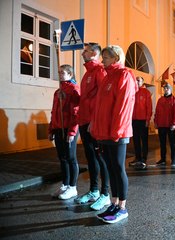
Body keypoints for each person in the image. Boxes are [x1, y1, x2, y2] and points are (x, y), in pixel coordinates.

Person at [91, 45, 138, 224]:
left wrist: (117, 131)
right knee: (110, 168)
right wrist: (95, 126)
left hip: (117, 132)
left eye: (106, 58)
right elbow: (99, 107)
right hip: (105, 132)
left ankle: (122, 208)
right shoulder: (106, 77)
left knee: (118, 168)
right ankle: (114, 203)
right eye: (103, 57)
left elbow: (124, 106)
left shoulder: (124, 75)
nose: (103, 61)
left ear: (116, 58)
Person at [75, 43, 110, 210]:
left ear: (95, 54)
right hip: (84, 120)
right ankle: (94, 190)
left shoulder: (99, 71)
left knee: (100, 158)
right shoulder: (88, 73)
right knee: (91, 158)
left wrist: (96, 120)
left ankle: (105, 194)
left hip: (93, 122)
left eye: (86, 51)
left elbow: (103, 99)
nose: (83, 53)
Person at [49, 64, 80, 200]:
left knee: (70, 157)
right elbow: (54, 111)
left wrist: (72, 131)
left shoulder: (74, 89)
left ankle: (72, 187)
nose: (60, 74)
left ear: (70, 75)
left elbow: (76, 112)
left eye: (63, 72)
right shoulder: (57, 92)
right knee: (62, 158)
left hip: (69, 128)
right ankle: (65, 185)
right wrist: (51, 129)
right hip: (58, 128)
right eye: (59, 72)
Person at [129, 76, 152, 169]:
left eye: (138, 80)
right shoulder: (132, 92)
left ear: (142, 82)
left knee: (144, 140)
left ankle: (144, 158)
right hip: (134, 120)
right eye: (135, 80)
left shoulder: (146, 92)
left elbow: (149, 107)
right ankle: (137, 157)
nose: (137, 81)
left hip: (143, 120)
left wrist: (147, 120)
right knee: (136, 140)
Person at [154, 83, 175, 167]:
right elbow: (157, 112)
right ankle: (163, 159)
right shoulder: (160, 99)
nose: (165, 90)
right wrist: (156, 122)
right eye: (164, 88)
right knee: (162, 143)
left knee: (172, 143)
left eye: (167, 88)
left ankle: (173, 159)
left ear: (170, 89)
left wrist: (174, 123)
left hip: (170, 125)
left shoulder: (174, 99)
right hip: (161, 124)